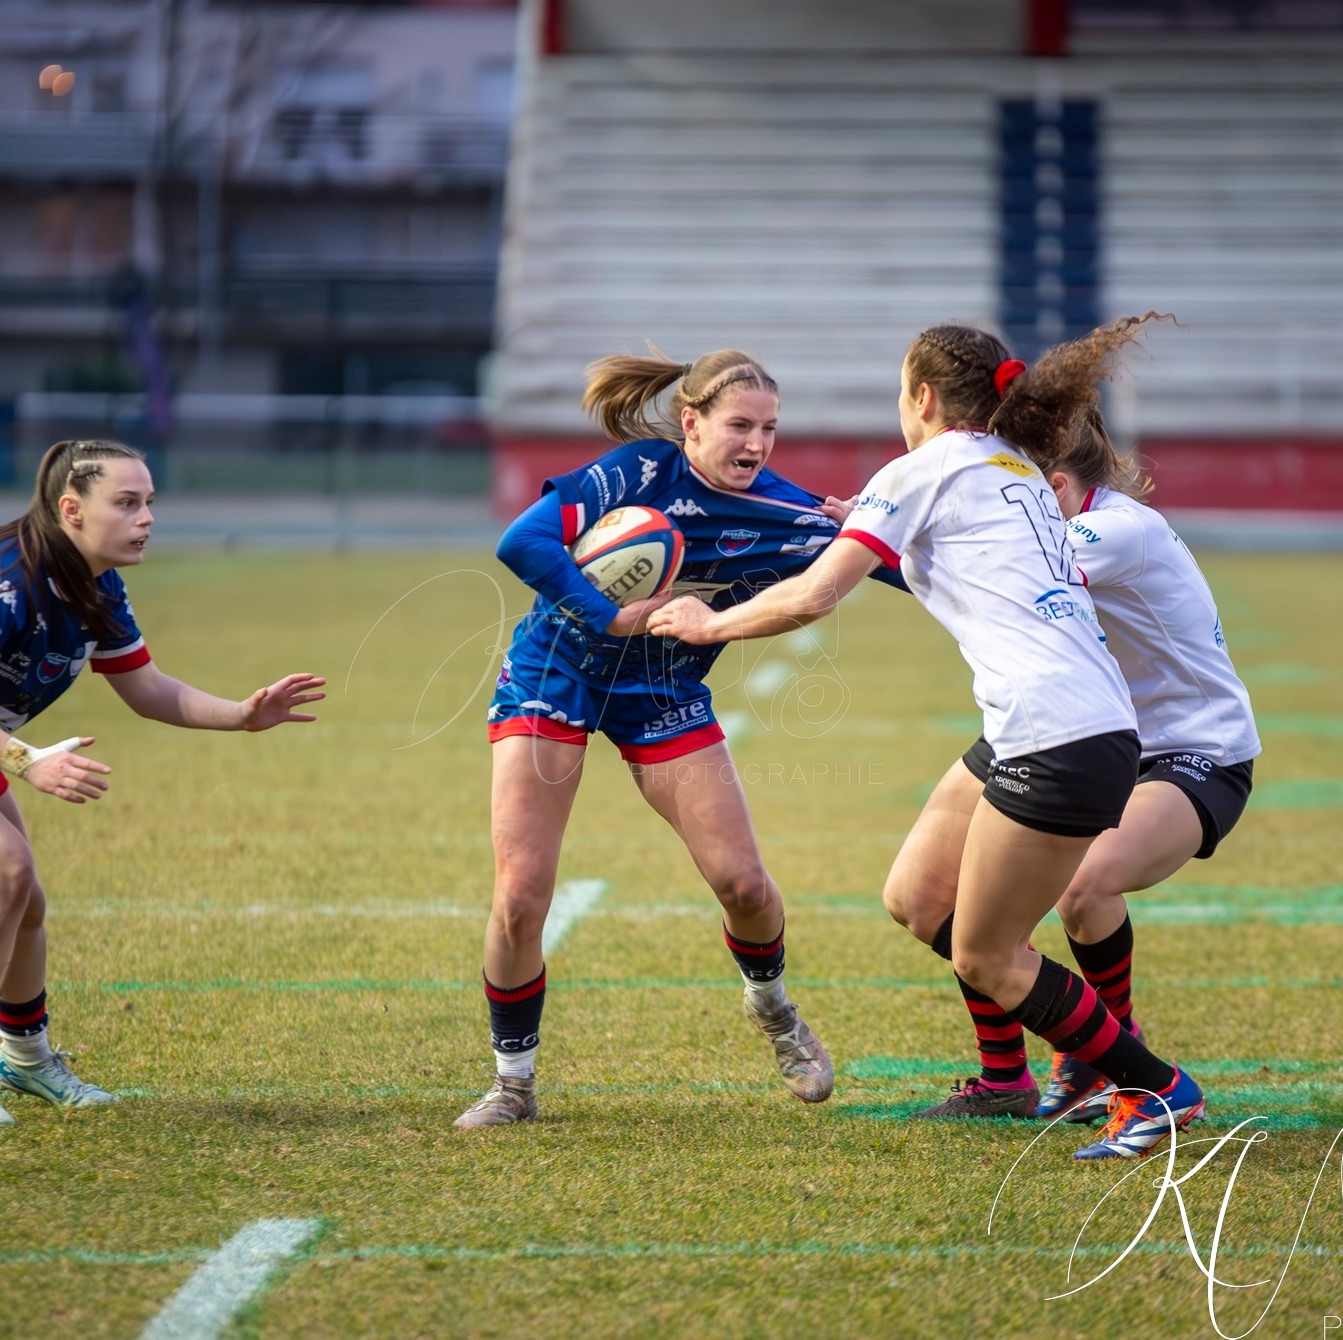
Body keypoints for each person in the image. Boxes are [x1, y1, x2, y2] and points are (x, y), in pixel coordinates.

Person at [650, 316, 1208, 1162]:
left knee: (988, 955)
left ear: (919, 395)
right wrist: (870, 524)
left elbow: (811, 598)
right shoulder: (1014, 468)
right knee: (919, 896)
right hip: (1062, 721)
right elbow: (975, 567)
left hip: (1055, 733)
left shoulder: (921, 469)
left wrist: (707, 623)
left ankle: (1152, 1089)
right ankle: (1006, 1080)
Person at [0, 438, 327, 1127]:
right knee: (0, 867)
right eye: (127, 503)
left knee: (24, 898)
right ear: (71, 510)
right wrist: (28, 761)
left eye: (149, 503)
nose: (146, 519)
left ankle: (25, 1060)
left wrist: (241, 715)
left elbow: (143, 687)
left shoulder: (94, 582)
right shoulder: (7, 581)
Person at [455, 347, 907, 1130]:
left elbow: (904, 573)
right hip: (553, 673)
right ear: (691, 424)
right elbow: (522, 542)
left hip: (662, 693)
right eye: (740, 425)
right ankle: (512, 1084)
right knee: (522, 894)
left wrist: (865, 533)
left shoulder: (785, 512)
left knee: (745, 887)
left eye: (769, 428)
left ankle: (772, 1008)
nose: (756, 444)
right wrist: (610, 613)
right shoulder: (636, 474)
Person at [1020, 406, 1260, 1123]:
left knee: (1086, 885)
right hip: (1118, 745)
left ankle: (1115, 1056)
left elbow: (1005, 584)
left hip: (1201, 753)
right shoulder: (1087, 519)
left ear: (1056, 484)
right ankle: (1088, 1057)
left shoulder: (1112, 530)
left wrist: (877, 544)